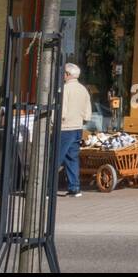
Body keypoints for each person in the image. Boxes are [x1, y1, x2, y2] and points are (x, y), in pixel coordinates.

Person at [59, 63, 91, 197]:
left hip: (65, 128)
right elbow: (87, 112)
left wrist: (54, 122)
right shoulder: (83, 89)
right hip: (78, 127)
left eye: (63, 73)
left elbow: (62, 110)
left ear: (67, 74)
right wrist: (83, 120)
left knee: (56, 157)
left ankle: (47, 188)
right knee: (72, 158)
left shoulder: (65, 89)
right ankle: (75, 188)